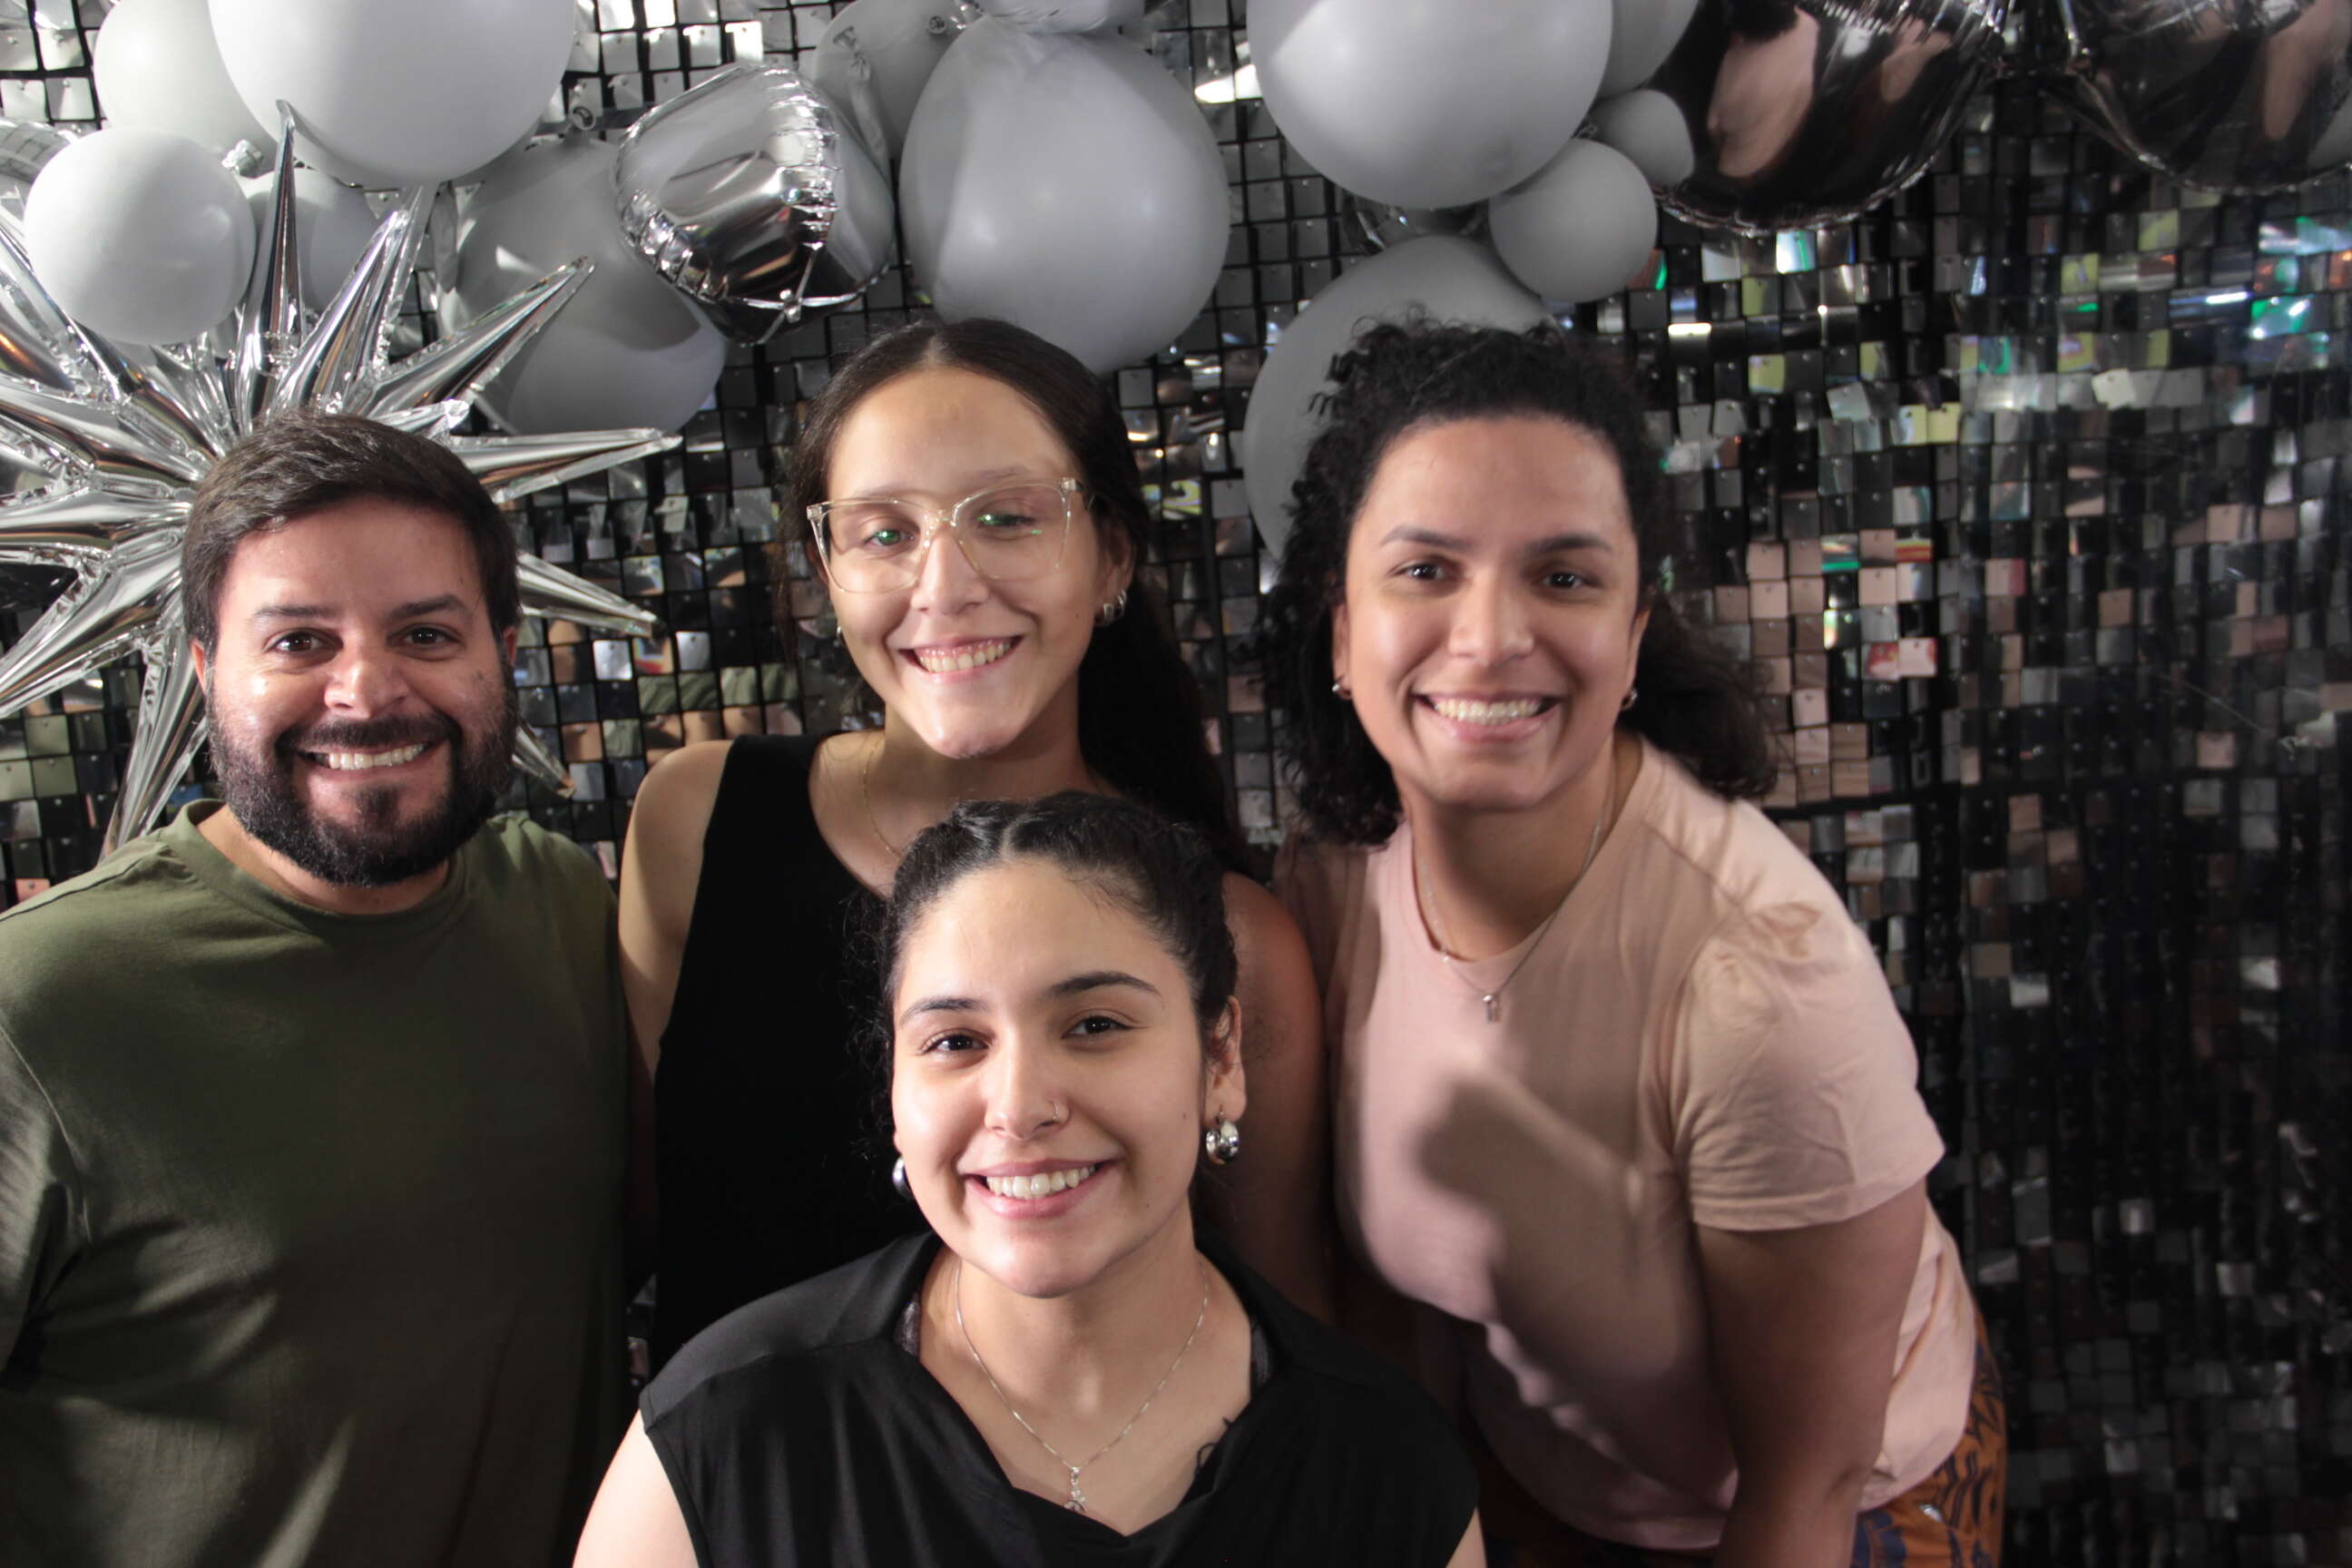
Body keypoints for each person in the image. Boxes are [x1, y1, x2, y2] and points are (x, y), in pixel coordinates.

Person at [1262, 322, 2005, 1567]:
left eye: (1563, 578)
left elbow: (1803, 1493)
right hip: (1544, 1479)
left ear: (1634, 635)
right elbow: (1398, 1324)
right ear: (1343, 632)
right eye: (1427, 570)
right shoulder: (1335, 876)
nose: (1490, 637)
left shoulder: (1762, 986)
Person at [621, 318, 1324, 1367]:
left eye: (1006, 518)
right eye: (883, 533)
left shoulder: (1234, 934)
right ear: (825, 569)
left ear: (1113, 555)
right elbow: (637, 1217)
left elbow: (1288, 1343)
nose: (944, 586)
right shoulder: (695, 819)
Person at [0, 411, 630, 1567]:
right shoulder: (35, 1003)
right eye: (298, 641)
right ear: (207, 673)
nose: (367, 690)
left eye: (426, 633)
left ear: (502, 651)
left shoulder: (560, 908)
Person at [577, 792, 1483, 1566]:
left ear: (1220, 1058)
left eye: (1094, 1026)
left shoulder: (1387, 1470)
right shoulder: (724, 1436)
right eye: (955, 1041)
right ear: (894, 1088)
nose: (1017, 1107)